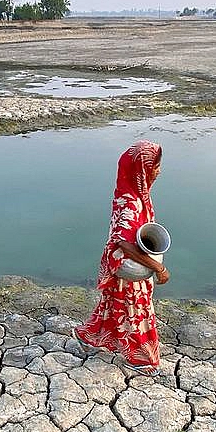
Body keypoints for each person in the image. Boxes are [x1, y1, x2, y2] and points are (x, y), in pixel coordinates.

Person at [73, 140, 169, 375]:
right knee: (137, 312)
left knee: (112, 306)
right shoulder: (130, 202)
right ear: (141, 169)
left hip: (126, 266)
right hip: (127, 268)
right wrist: (158, 268)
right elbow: (124, 244)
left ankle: (89, 335)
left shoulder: (135, 193)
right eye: (154, 166)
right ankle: (140, 358)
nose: (158, 171)